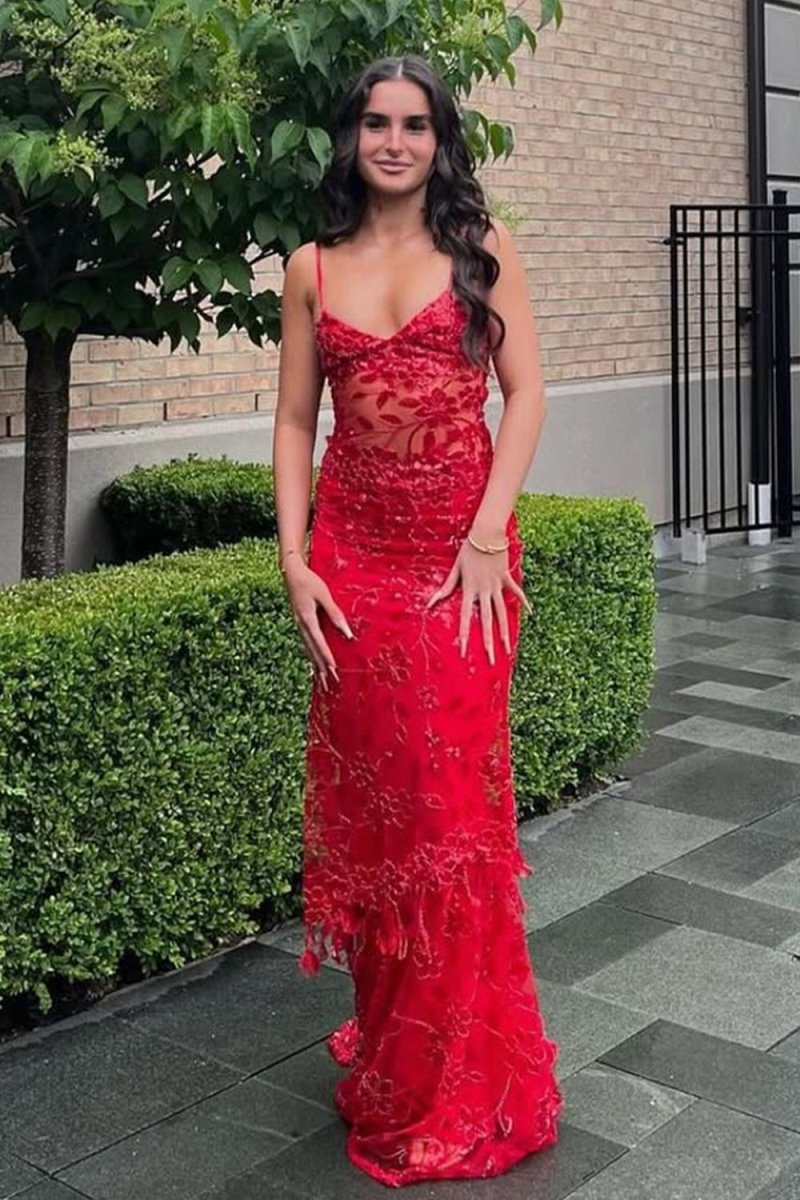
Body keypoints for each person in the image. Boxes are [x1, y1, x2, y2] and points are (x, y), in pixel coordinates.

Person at [272, 53, 562, 1187]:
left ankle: (459, 1072)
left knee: (450, 815)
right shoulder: (310, 267)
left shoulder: (480, 250)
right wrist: (294, 560)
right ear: (350, 137)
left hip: (461, 569)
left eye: (415, 125)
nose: (393, 142)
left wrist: (486, 534)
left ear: (441, 141)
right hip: (353, 567)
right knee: (383, 821)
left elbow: (526, 393)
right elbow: (296, 421)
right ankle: (398, 1041)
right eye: (374, 123)